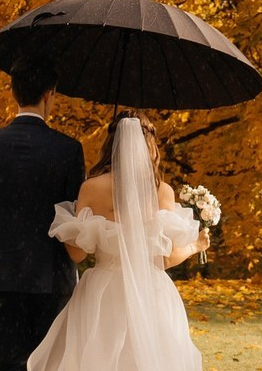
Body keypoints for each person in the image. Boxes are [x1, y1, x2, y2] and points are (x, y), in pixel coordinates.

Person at [26, 112, 210, 371]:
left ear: (111, 144)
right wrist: (196, 246)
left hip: (102, 292)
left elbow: (76, 254)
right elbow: (165, 258)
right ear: (151, 146)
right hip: (150, 291)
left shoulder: (91, 188)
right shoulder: (161, 192)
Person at [0, 57, 86, 371]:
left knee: (3, 361)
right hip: (52, 277)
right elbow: (71, 217)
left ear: (13, 92)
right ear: (49, 95)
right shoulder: (68, 150)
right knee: (50, 363)